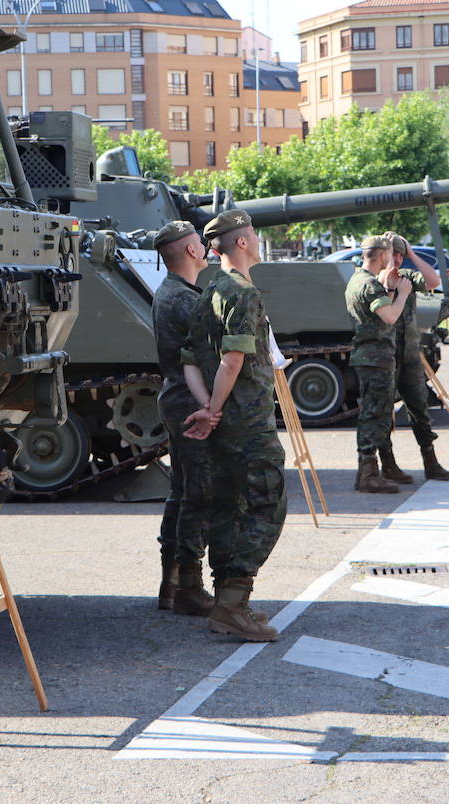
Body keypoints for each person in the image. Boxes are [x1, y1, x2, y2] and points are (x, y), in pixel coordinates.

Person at [180, 209, 286, 641]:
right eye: (253, 235)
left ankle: (228, 600)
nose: (258, 240)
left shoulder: (210, 291)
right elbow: (233, 360)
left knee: (229, 507)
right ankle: (232, 602)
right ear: (241, 242)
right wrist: (217, 408)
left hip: (225, 422)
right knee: (268, 504)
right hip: (249, 423)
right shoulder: (243, 293)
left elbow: (189, 360)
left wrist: (207, 408)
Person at [149, 220, 215, 617]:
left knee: (182, 492)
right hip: (191, 402)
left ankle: (171, 584)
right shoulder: (186, 300)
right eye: (200, 244)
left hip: (178, 399)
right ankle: (189, 585)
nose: (205, 248)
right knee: (199, 494)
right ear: (191, 251)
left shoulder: (174, 292)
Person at [343, 235, 411, 493]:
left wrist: (391, 290)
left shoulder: (356, 280)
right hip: (375, 358)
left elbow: (377, 315)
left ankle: (369, 472)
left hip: (370, 356)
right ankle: (368, 475)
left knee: (375, 412)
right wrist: (402, 294)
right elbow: (390, 316)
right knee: (374, 414)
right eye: (389, 254)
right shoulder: (369, 284)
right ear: (382, 255)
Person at [386, 234, 449, 482]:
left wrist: (413, 255)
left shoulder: (408, 277)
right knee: (383, 413)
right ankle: (388, 464)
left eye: (398, 255)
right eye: (390, 254)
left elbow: (433, 280)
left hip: (410, 354)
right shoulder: (374, 280)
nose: (395, 259)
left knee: (419, 409)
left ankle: (430, 461)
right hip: (386, 356)